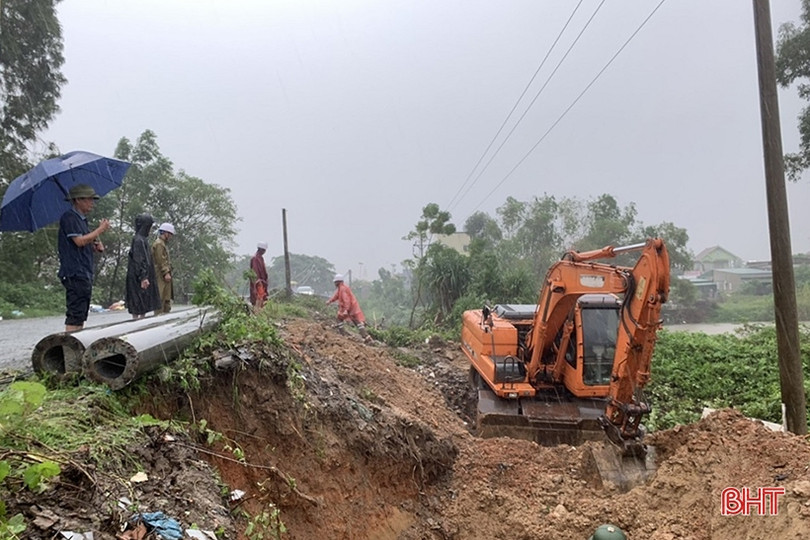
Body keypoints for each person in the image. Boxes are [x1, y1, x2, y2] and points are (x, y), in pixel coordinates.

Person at [57, 184, 110, 332]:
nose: (92, 203)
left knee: (81, 313)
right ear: (78, 200)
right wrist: (100, 229)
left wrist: (95, 245)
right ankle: (70, 341)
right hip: (74, 271)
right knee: (75, 313)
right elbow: (79, 241)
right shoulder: (69, 217)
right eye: (88, 199)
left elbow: (84, 243)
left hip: (84, 271)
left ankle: (77, 339)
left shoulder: (82, 221)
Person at [125, 214, 161, 319]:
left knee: (143, 303)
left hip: (141, 276)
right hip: (138, 277)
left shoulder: (142, 239)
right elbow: (139, 259)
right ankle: (136, 322)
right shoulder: (138, 240)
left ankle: (140, 320)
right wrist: (143, 277)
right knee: (138, 302)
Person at [326, 274, 371, 342]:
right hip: (351, 307)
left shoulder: (343, 289)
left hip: (350, 308)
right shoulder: (341, 288)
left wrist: (346, 310)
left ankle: (343, 335)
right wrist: (330, 301)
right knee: (355, 321)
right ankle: (366, 336)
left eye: (335, 282)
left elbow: (346, 300)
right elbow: (336, 296)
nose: (334, 283)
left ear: (338, 282)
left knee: (342, 319)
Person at [152, 222, 175, 314]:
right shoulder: (159, 244)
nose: (171, 237)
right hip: (160, 275)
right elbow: (160, 260)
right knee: (161, 298)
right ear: (165, 233)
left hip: (163, 275)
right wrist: (166, 272)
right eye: (170, 234)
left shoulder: (163, 244)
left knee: (166, 299)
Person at [249, 241, 269, 311]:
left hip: (262, 282)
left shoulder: (261, 258)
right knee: (258, 298)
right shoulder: (255, 258)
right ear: (260, 250)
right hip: (258, 283)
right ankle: (257, 312)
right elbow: (255, 272)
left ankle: (259, 312)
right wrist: (258, 282)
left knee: (262, 298)